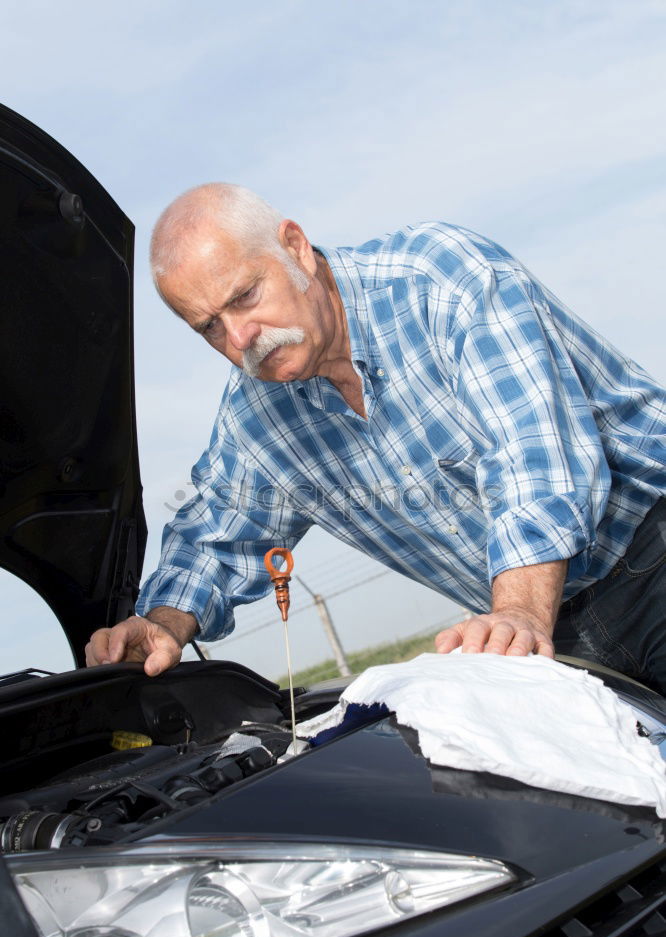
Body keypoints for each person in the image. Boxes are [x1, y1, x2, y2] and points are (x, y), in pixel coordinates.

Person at [85, 184, 666, 691]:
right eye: (210, 326)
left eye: (244, 297)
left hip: (651, 549)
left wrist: (516, 611)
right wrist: (161, 624)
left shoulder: (438, 279)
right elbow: (217, 536)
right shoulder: (256, 419)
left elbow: (532, 455)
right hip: (549, 635)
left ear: (294, 249)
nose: (241, 337)